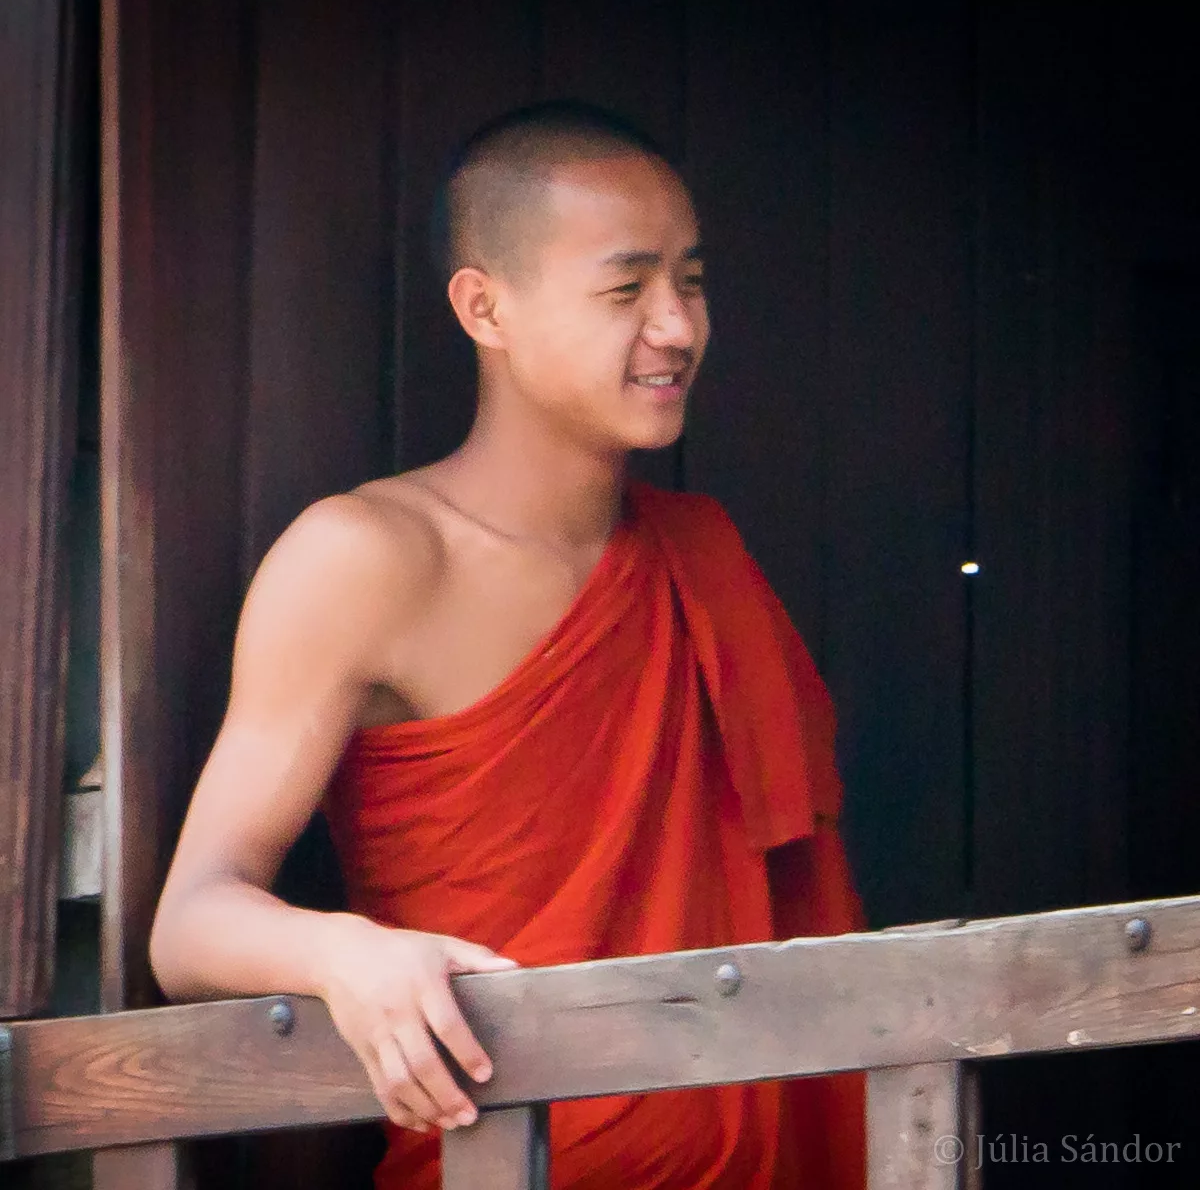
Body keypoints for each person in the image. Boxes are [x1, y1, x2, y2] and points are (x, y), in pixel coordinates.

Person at [150, 100, 865, 1189]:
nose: (675, 326)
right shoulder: (370, 556)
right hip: (506, 1158)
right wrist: (350, 954)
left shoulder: (702, 558)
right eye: (627, 290)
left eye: (693, 282)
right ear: (486, 308)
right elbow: (191, 924)